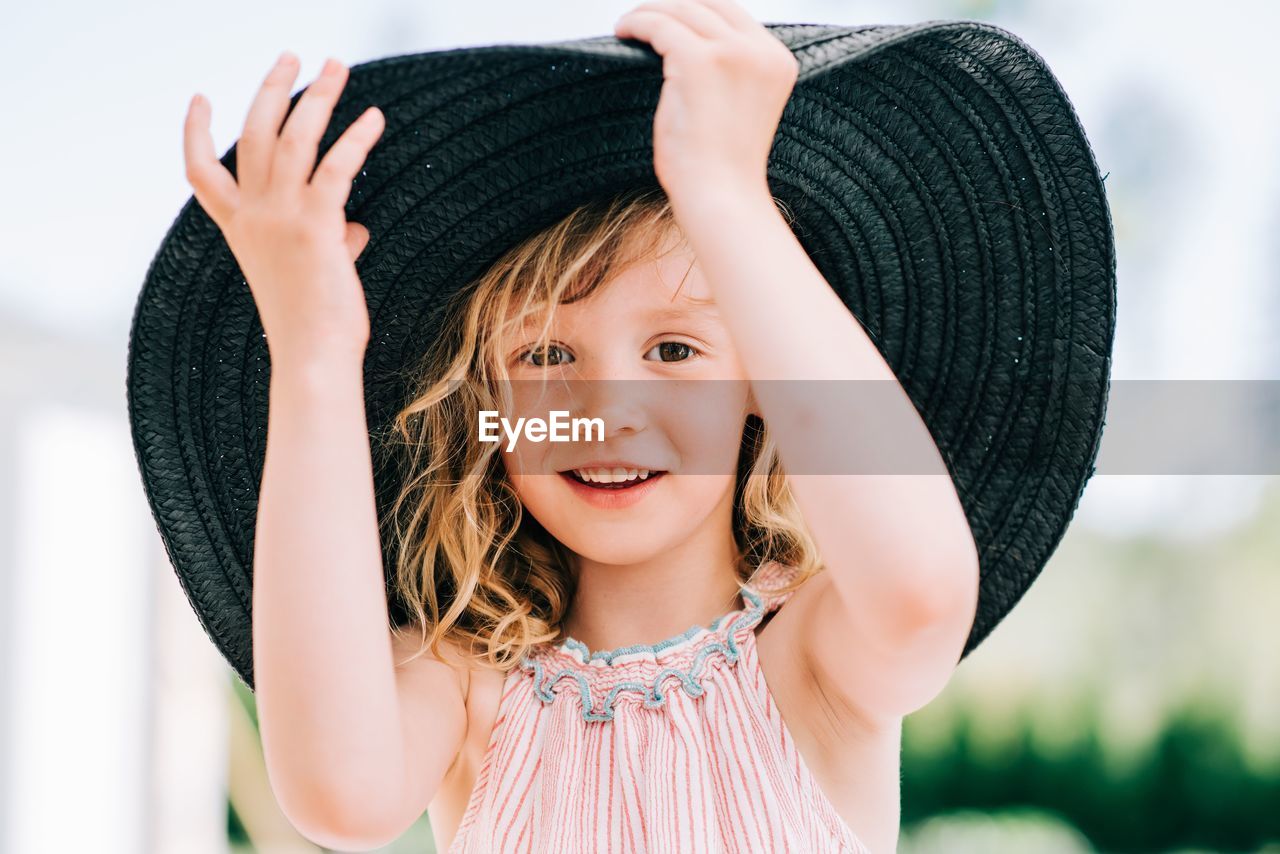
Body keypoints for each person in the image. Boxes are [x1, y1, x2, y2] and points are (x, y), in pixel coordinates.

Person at [172, 1, 1108, 851]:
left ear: (763, 389)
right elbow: (339, 794)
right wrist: (314, 353)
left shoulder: (812, 664)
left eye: (674, 352)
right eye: (543, 357)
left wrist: (729, 195)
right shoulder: (468, 690)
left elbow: (923, 596)